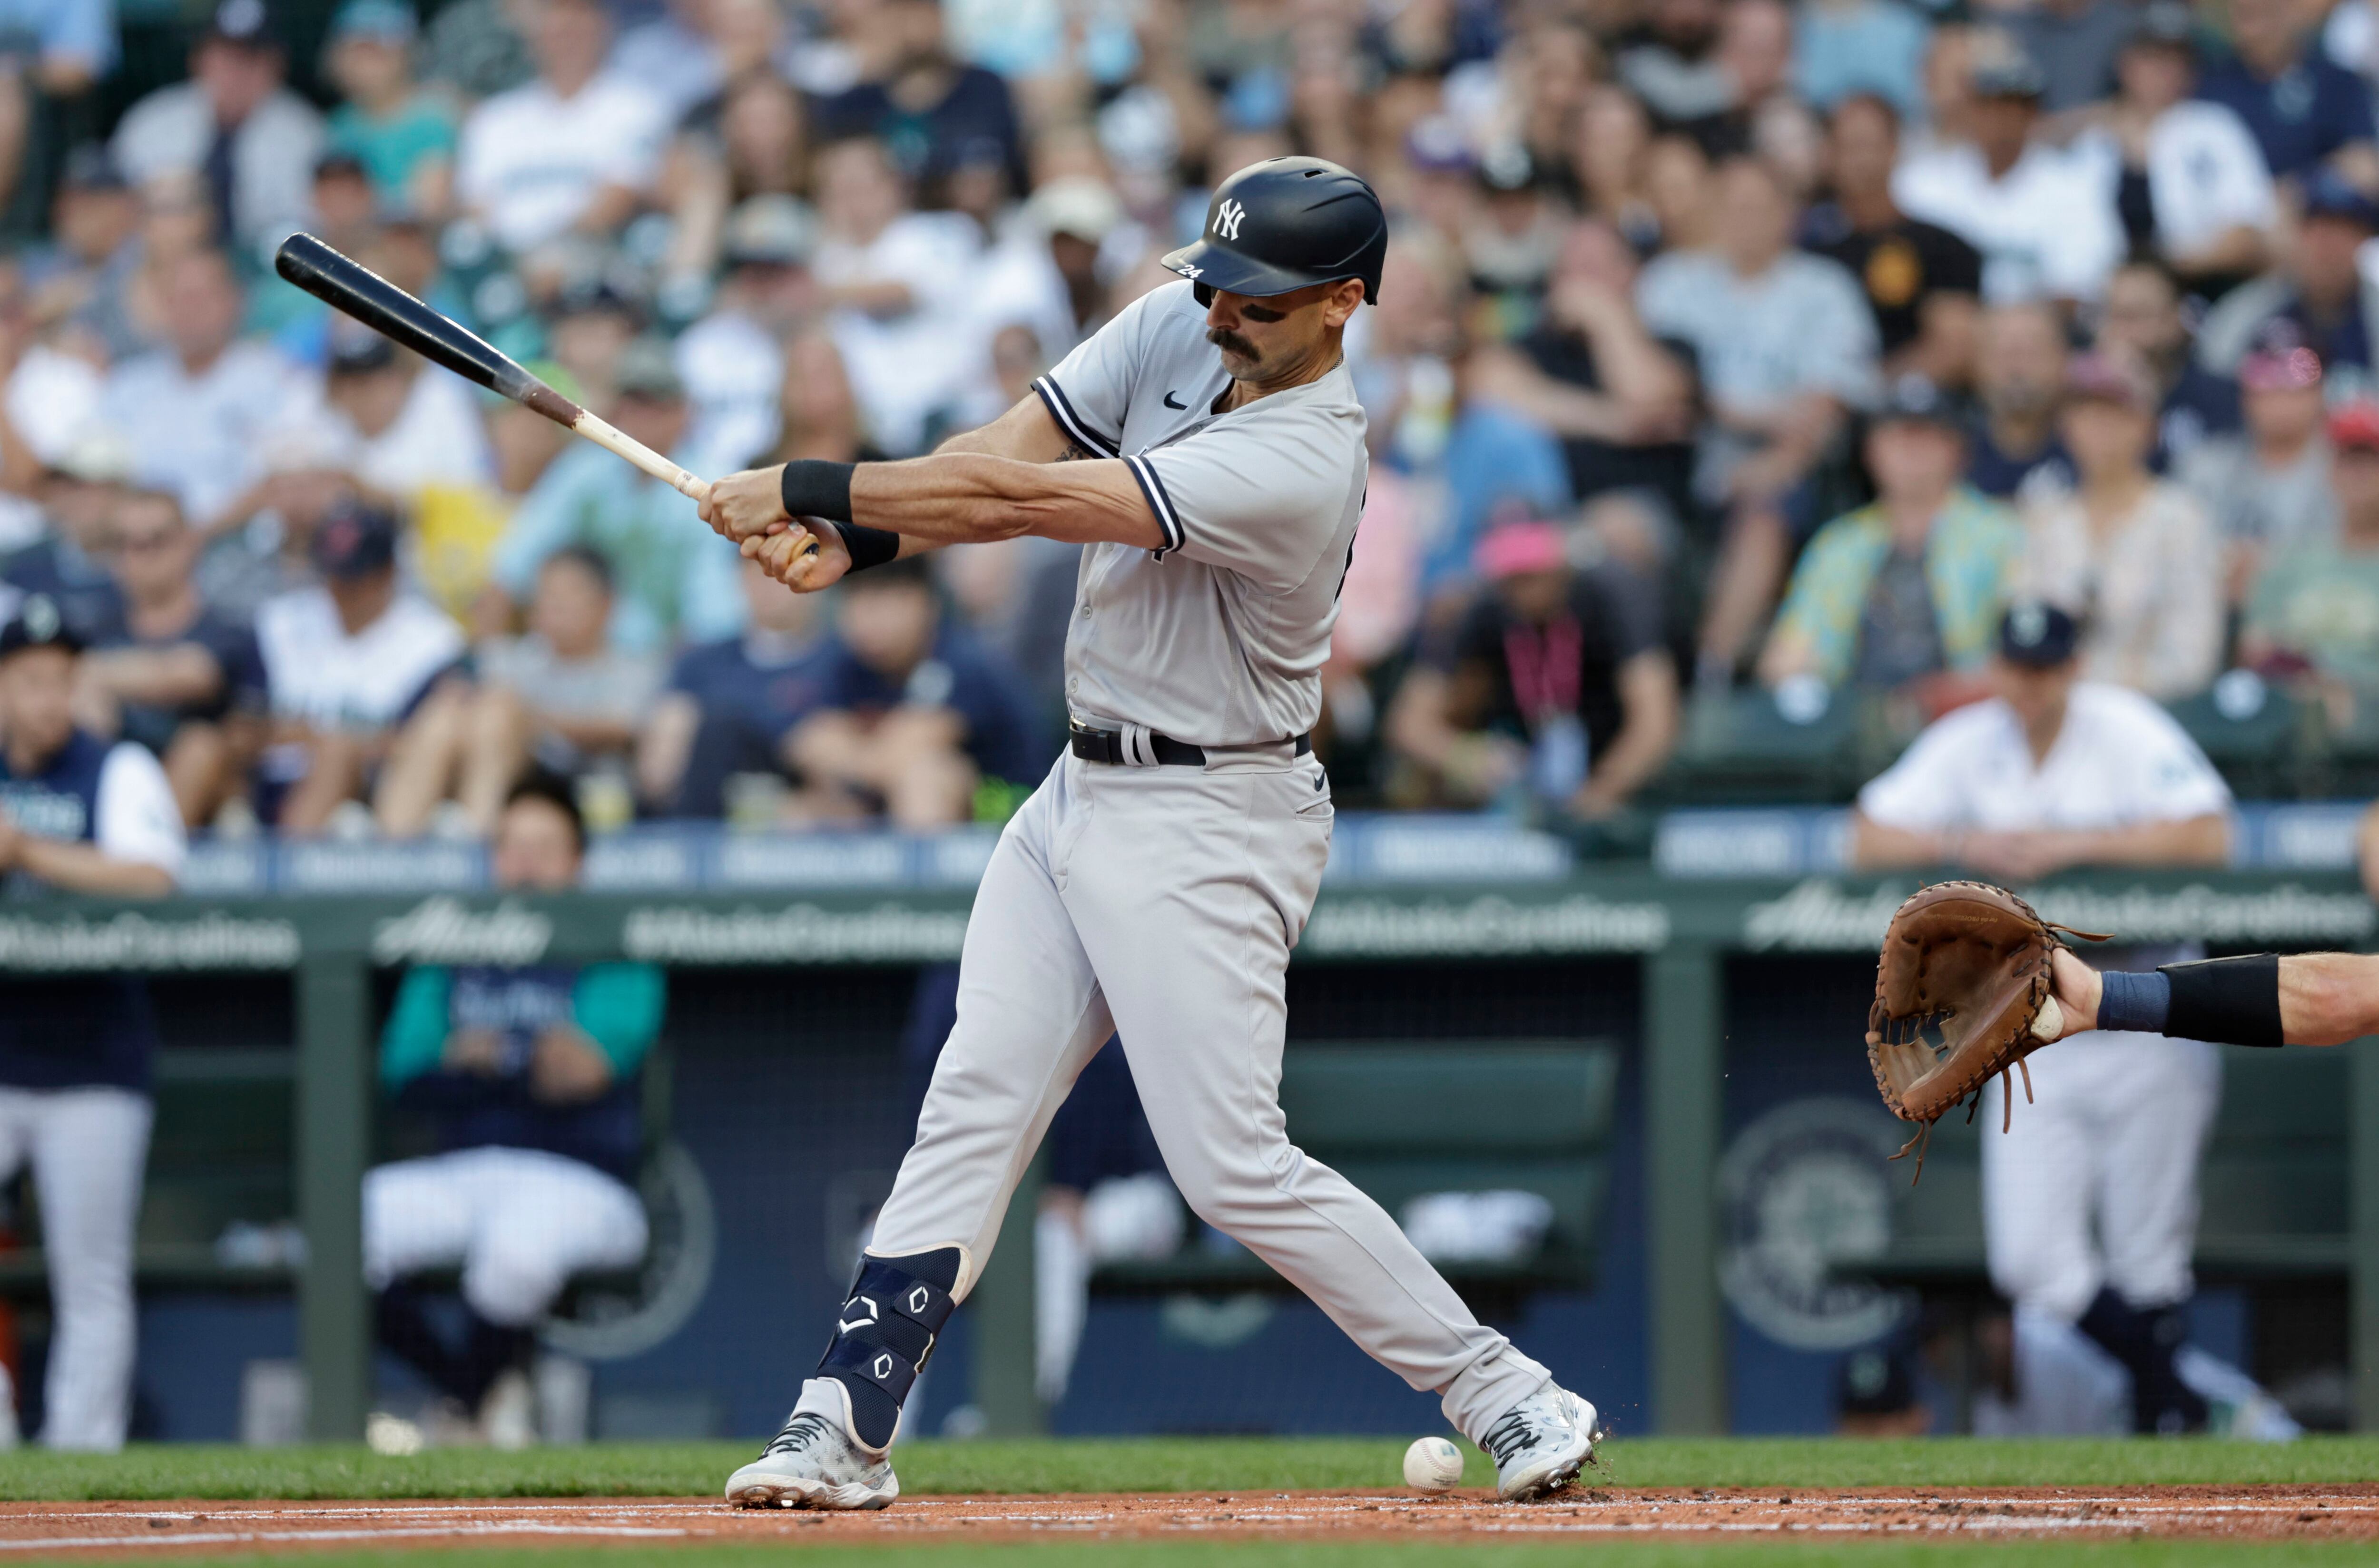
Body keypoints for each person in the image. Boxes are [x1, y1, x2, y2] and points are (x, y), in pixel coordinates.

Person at [698, 157, 1602, 1509]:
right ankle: (843, 1423)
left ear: (1346, 303)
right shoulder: (1186, 312)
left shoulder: (1307, 455)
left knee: (1232, 1165)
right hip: (1081, 788)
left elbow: (1033, 507)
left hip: (1215, 816)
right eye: (1221, 282)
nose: (1225, 315)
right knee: (974, 1099)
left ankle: (1508, 1393)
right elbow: (1002, 455)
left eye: (1263, 300)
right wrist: (860, 541)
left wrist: (813, 481)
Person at [1850, 602, 2232, 1435]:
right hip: (2033, 1022)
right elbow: (1869, 832)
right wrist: (1964, 840)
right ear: (1998, 668)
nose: (2029, 686)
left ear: (2072, 667)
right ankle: (2176, 1392)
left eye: (2045, 668)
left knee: (2149, 1255)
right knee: (2030, 1260)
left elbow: (2210, 833)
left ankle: (2165, 1427)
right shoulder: (1970, 739)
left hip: (2147, 1007)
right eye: (2016, 668)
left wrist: (2078, 845)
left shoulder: (2124, 727)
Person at [367, 774, 660, 1448]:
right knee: (343, 1229)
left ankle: (459, 1407)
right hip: (463, 1172)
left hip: (582, 1179)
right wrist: (510, 1057)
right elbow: (403, 1069)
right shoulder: (454, 942)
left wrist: (480, 1056)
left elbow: (581, 1072)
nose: (525, 864)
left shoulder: (613, 942)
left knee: (517, 1255)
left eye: (544, 848)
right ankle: (470, 1394)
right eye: (512, 847)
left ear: (577, 862)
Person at [0, 595, 185, 1451]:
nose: (44, 697)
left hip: (94, 1055)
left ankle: (83, 1457)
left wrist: (29, 852)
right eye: (27, 680)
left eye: (58, 680)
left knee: (92, 1272)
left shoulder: (117, 767)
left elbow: (153, 876)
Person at [1635, 153, 1878, 682]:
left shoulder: (1823, 289)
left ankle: (1711, 674)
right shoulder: (1670, 283)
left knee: (1765, 506)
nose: (1742, 219)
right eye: (1731, 206)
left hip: (1791, 465)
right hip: (1674, 459)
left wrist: (1759, 439)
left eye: (1757, 206)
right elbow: (1654, 394)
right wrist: (1751, 411)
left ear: (1786, 213)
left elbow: (1823, 405)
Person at [1385, 513, 1678, 819]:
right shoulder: (1480, 608)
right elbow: (1409, 724)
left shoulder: (1615, 594)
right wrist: (1469, 757)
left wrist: (1598, 795)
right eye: (1509, 577)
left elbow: (1655, 724)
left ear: (1561, 566)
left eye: (1532, 574)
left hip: (1611, 764)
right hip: (1518, 769)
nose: (1520, 589)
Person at [1760, 375, 2020, 695]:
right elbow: (1786, 654)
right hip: (1857, 723)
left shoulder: (2002, 533)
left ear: (1958, 450)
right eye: (1897, 436)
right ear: (1871, 451)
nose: (1911, 450)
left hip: (1965, 716)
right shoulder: (1841, 543)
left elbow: (2025, 650)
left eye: (1927, 436)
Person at [381, 546, 660, 837]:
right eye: (546, 593)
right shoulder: (511, 657)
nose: (553, 605)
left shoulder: (632, 666)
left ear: (606, 604)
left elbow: (624, 728)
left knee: (500, 712)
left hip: (578, 787)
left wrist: (529, 721)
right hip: (497, 770)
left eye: (567, 595)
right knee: (444, 718)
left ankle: (474, 839)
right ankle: (393, 846)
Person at [489, 340, 745, 655]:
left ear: (683, 412)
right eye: (632, 403)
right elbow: (513, 565)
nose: (641, 417)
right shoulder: (586, 470)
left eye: (656, 405)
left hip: (676, 659)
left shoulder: (714, 484)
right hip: (584, 654)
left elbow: (714, 617)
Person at [2016, 355, 2222, 700]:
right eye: (2085, 412)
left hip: (2150, 716)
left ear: (2147, 425)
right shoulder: (2045, 519)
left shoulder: (2182, 519)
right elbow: (2021, 633)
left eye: (2116, 413)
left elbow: (2192, 662)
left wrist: (2086, 684)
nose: (2100, 428)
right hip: (2052, 717)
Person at [256, 501, 463, 834]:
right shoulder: (280, 622)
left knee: (337, 752)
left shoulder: (433, 640)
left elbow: (419, 743)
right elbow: (244, 724)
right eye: (332, 574)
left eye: (355, 578)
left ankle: (284, 874)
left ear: (390, 572)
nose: (340, 590)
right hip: (272, 780)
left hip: (374, 793)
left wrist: (327, 738)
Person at [82, 488, 266, 828]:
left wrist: (94, 674)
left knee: (200, 745)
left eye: (156, 540)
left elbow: (196, 674)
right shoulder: (94, 629)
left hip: (208, 802)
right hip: (117, 787)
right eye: (125, 542)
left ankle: (143, 852)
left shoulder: (228, 629)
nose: (141, 554)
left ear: (189, 542)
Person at [98, 247, 317, 529]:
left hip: (242, 547)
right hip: (144, 546)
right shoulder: (128, 385)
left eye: (202, 297)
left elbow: (284, 479)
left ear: (234, 301)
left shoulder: (275, 376)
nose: (191, 310)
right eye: (180, 298)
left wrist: (197, 537)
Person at [1891, 53, 2124, 307]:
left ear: (2034, 116)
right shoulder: (1924, 182)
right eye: (1988, 107)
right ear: (1969, 111)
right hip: (1948, 330)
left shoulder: (2072, 187)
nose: (2000, 120)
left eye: (2014, 109)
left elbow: (2075, 288)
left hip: (2037, 333)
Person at [2068, 3, 2275, 288]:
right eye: (2153, 57)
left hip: (2196, 287)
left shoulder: (2214, 128)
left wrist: (2167, 270)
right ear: (2125, 64)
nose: (2165, 70)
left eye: (2178, 59)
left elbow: (2247, 233)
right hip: (2106, 295)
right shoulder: (2092, 144)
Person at [454, 0, 667, 258]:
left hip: (594, 259)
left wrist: (549, 252)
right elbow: (476, 208)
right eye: (557, 33)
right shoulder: (494, 119)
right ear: (535, 39)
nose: (567, 45)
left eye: (576, 32)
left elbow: (617, 201)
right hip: (505, 266)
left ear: (602, 31)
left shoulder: (636, 107)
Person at [110, 0, 325, 255]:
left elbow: (311, 230)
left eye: (249, 59)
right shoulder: (151, 122)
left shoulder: (304, 134)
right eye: (223, 56)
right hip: (161, 263)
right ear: (198, 59)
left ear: (277, 65)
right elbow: (118, 214)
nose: (234, 72)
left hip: (264, 273)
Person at [1801, 95, 1983, 391]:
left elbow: (1956, 348)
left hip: (1918, 409)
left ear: (1897, 148)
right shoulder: (1810, 253)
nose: (1860, 160)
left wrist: (1869, 386)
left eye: (1870, 145)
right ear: (1828, 156)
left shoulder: (1942, 246)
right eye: (1848, 147)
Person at [637, 557, 832, 819]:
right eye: (761, 574)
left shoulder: (845, 661)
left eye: (784, 573)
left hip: (800, 799)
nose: (771, 586)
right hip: (700, 797)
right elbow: (657, 764)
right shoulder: (700, 662)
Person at [2239, 401, 2379, 709]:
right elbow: (2256, 648)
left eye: (2371, 460)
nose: (2359, 474)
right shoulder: (2292, 560)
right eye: (2348, 460)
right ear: (2331, 471)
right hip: (2287, 717)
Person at [2178, 333, 2336, 602]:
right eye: (2267, 387)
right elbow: (2176, 548)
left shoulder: (2348, 469)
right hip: (2210, 607)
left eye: (2295, 388)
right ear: (2245, 396)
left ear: (2320, 394)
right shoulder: (2204, 465)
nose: (2281, 402)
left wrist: (2270, 569)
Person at [2197, 174, 2379, 380]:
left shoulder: (2372, 308)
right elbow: (2213, 382)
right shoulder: (2247, 312)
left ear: (2364, 239)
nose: (2327, 248)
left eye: (2345, 232)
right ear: (2294, 235)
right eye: (2314, 230)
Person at [2196, 0, 2379, 186]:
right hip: (2239, 211)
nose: (2259, 29)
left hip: (2325, 210)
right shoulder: (2213, 90)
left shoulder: (2336, 82)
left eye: (2267, 13)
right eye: (2248, 15)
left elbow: (2366, 166)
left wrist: (2299, 190)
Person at [323, 0, 456, 221]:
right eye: (358, 51)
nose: (366, 64)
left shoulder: (433, 118)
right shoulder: (337, 127)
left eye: (377, 52)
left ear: (406, 53)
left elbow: (429, 207)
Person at [1966, 301, 2074, 501]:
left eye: (2032, 353)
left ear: (2063, 359)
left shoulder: (2094, 451)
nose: (2016, 369)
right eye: (2002, 353)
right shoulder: (1951, 454)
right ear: (1976, 364)